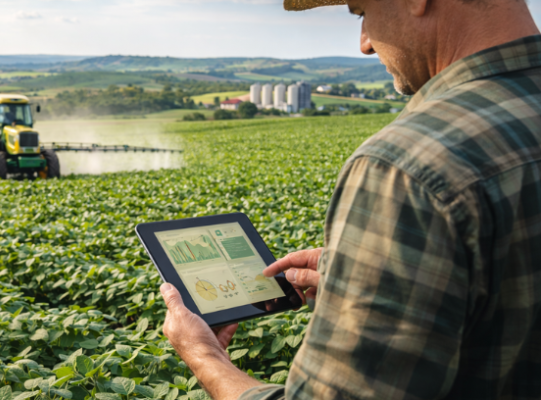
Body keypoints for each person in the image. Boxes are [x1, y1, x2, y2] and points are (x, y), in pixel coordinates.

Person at [160, 0, 541, 398]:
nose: (365, 43)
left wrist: (204, 354)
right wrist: (387, 277)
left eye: (361, 12)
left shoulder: (406, 165)